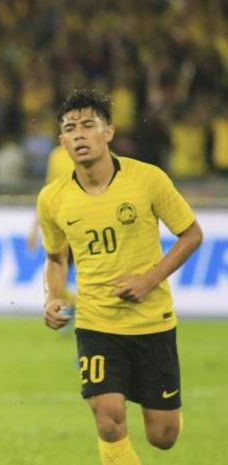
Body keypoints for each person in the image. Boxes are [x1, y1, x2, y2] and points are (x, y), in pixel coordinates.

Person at [37, 89, 203, 465]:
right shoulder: (52, 198)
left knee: (163, 436)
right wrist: (52, 296)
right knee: (108, 419)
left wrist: (148, 280)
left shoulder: (148, 180)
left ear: (108, 132)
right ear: (62, 141)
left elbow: (192, 234)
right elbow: (56, 256)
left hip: (152, 322)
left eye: (87, 125)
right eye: (69, 129)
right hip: (97, 323)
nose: (79, 135)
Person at [27, 145, 76, 329]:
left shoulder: (108, 159)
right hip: (63, 228)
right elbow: (49, 192)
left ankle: (85, 310)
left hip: (91, 228)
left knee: (98, 283)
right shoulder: (57, 155)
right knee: (56, 283)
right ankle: (80, 307)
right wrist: (35, 228)